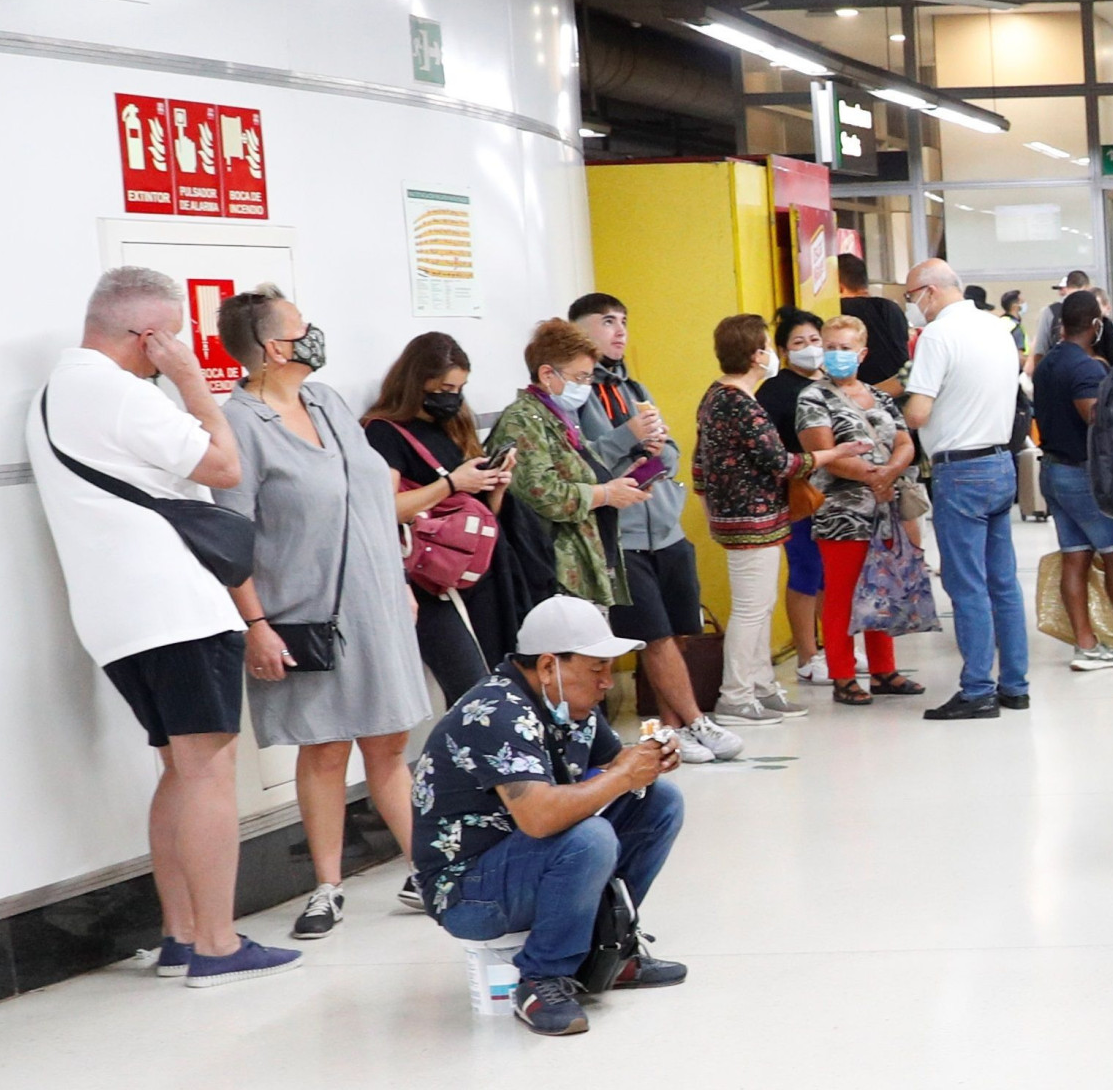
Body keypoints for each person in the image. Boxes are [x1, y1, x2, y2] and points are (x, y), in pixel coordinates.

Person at [26, 264, 299, 989]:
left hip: (117, 618)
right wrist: (194, 387)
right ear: (148, 335)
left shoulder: (56, 391)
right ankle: (216, 944)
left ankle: (181, 934)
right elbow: (225, 466)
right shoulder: (114, 392)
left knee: (178, 768)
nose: (178, 348)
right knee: (210, 769)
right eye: (172, 337)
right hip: (177, 607)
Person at [216, 286, 435, 937]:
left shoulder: (326, 401)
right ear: (272, 346)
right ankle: (327, 884)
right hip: (303, 612)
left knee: (390, 740)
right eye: (300, 327)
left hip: (376, 601)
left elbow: (369, 496)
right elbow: (231, 537)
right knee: (326, 748)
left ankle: (429, 871)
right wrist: (256, 624)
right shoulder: (238, 424)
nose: (313, 333)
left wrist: (397, 577)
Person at [409, 593, 689, 1037]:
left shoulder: (570, 707)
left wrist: (646, 763)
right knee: (590, 837)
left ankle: (606, 951)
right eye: (596, 669)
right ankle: (542, 979)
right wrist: (622, 776)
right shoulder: (498, 712)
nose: (607, 683)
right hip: (470, 892)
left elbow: (615, 769)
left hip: (518, 862)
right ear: (547, 666)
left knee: (659, 802)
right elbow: (539, 819)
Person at [561, 292, 734, 762]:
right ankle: (697, 720)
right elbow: (585, 460)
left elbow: (670, 450)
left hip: (666, 526)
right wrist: (629, 440)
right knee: (652, 637)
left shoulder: (633, 388)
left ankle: (671, 733)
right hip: (624, 536)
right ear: (579, 331)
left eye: (623, 322)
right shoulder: (576, 395)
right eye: (606, 322)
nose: (619, 331)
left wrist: (648, 450)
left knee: (677, 632)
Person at [486, 319, 652, 698]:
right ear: (547, 374)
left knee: (592, 671)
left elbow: (583, 473)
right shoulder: (523, 421)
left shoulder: (558, 418)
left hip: (586, 561)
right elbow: (541, 493)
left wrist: (624, 479)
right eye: (580, 378)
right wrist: (605, 495)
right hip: (557, 569)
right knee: (570, 675)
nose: (586, 388)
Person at [899, 259, 1030, 720]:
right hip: (1000, 462)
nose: (912, 306)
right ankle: (1015, 685)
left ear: (931, 292)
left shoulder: (937, 336)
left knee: (967, 584)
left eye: (911, 296)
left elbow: (918, 412)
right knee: (1003, 582)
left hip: (960, 470)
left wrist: (893, 406)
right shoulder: (997, 328)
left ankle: (977, 689)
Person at [363, 331, 516, 707]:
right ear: (419, 380)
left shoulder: (450, 427)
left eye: (459, 388)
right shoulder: (383, 431)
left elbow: (477, 519)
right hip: (430, 580)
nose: (452, 398)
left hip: (476, 572)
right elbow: (384, 508)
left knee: (497, 680)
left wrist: (493, 486)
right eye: (445, 387)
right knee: (471, 687)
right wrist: (451, 483)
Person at [1035, 291, 1113, 670]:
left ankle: (1087, 645)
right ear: (1096, 325)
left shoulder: (1047, 363)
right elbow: (1096, 417)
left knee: (1075, 558)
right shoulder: (1086, 369)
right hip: (1083, 475)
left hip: (1053, 471)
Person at [796, 314, 922, 702]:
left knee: (882, 588)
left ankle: (885, 670)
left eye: (844, 349)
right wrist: (875, 476)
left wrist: (891, 472)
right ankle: (843, 673)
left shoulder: (880, 396)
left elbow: (904, 441)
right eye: (829, 348)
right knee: (843, 593)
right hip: (841, 512)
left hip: (885, 510)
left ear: (862, 353)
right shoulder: (813, 397)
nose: (836, 355)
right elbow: (823, 453)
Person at [692, 312, 805, 722]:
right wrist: (829, 457)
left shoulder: (715, 396)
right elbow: (780, 462)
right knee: (752, 608)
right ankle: (736, 695)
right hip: (751, 521)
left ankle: (760, 684)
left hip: (739, 519)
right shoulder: (743, 405)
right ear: (758, 355)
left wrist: (709, 507)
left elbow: (699, 464)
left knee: (760, 604)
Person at [756, 304, 833, 682]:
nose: (810, 347)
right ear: (784, 351)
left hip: (837, 494)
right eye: (799, 342)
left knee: (831, 575)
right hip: (799, 495)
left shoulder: (832, 382)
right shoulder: (774, 391)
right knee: (806, 570)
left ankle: (835, 647)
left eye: (815, 340)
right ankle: (807, 655)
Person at [839, 252, 913, 392]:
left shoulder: (839, 310)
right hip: (901, 392)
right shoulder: (892, 307)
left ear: (839, 287)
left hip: (864, 397)